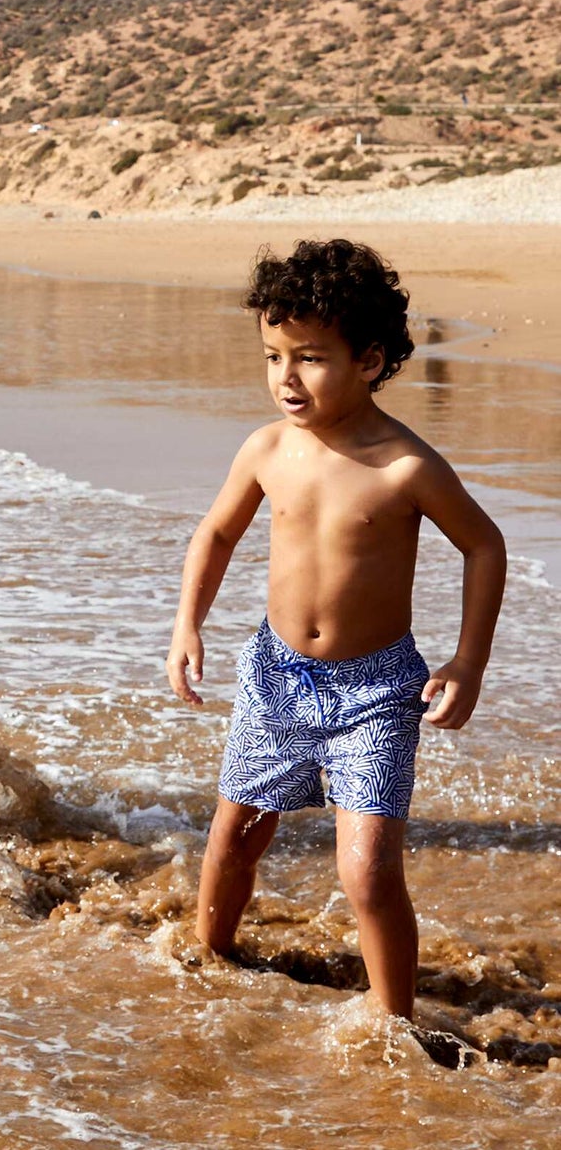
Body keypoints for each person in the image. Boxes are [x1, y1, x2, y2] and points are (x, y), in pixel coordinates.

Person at [164, 239, 506, 1021]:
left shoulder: (403, 465)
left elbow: (483, 544)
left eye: (309, 357)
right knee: (234, 840)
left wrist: (468, 659)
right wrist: (188, 623)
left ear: (369, 359)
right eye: (272, 355)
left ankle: (395, 1026)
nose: (285, 376)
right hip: (275, 675)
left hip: (377, 691)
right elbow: (214, 535)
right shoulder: (267, 447)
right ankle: (206, 965)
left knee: (367, 871)